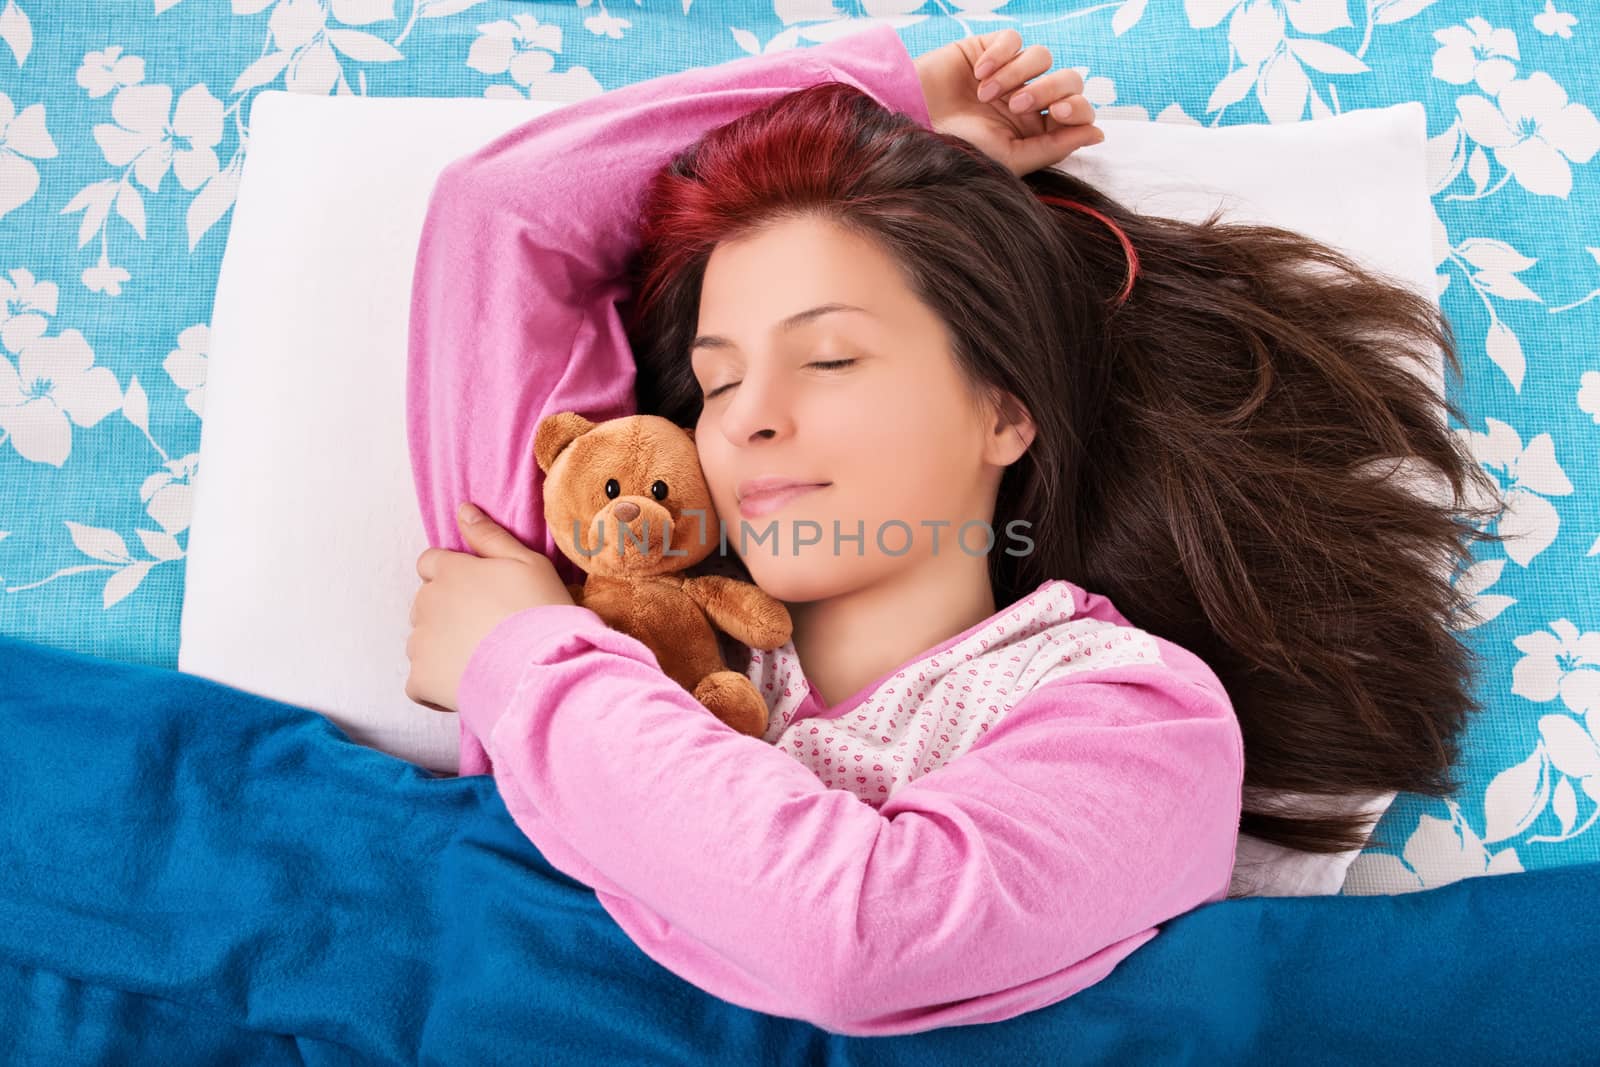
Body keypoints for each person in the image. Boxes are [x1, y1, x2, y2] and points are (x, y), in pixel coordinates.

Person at [403, 21, 1500, 1037]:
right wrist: (886, 105)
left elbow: (855, 935)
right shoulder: (622, 592)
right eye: (716, 380)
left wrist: (527, 669)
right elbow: (504, 209)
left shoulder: (1141, 716)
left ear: (1003, 409)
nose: (747, 418)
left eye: (828, 357)